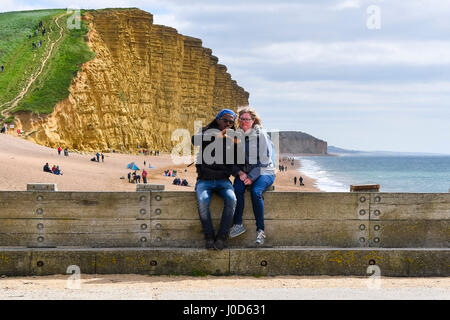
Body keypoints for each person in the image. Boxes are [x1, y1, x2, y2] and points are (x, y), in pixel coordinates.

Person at [229, 107, 276, 245]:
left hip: (264, 171)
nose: (244, 121)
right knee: (236, 189)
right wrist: (240, 173)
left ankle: (260, 231)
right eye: (241, 119)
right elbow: (230, 160)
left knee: (255, 192)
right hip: (245, 172)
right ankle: (238, 225)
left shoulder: (260, 134)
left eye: (247, 119)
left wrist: (252, 177)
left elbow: (265, 159)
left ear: (253, 120)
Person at [192, 108, 237, 250]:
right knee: (203, 201)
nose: (228, 124)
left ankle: (222, 237)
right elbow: (194, 140)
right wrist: (217, 136)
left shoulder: (233, 137)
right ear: (218, 120)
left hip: (223, 181)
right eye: (225, 121)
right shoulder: (208, 131)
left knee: (232, 199)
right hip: (204, 180)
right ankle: (209, 236)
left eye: (231, 122)